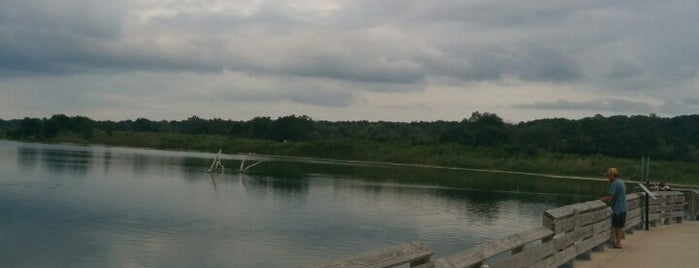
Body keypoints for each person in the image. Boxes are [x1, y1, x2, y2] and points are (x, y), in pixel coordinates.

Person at [600, 167, 627, 248]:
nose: (607, 177)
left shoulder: (615, 184)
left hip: (618, 209)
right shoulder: (621, 182)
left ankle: (618, 243)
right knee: (619, 226)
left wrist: (600, 200)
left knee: (617, 227)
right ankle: (618, 242)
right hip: (623, 207)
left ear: (612, 175)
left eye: (608, 175)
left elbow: (610, 197)